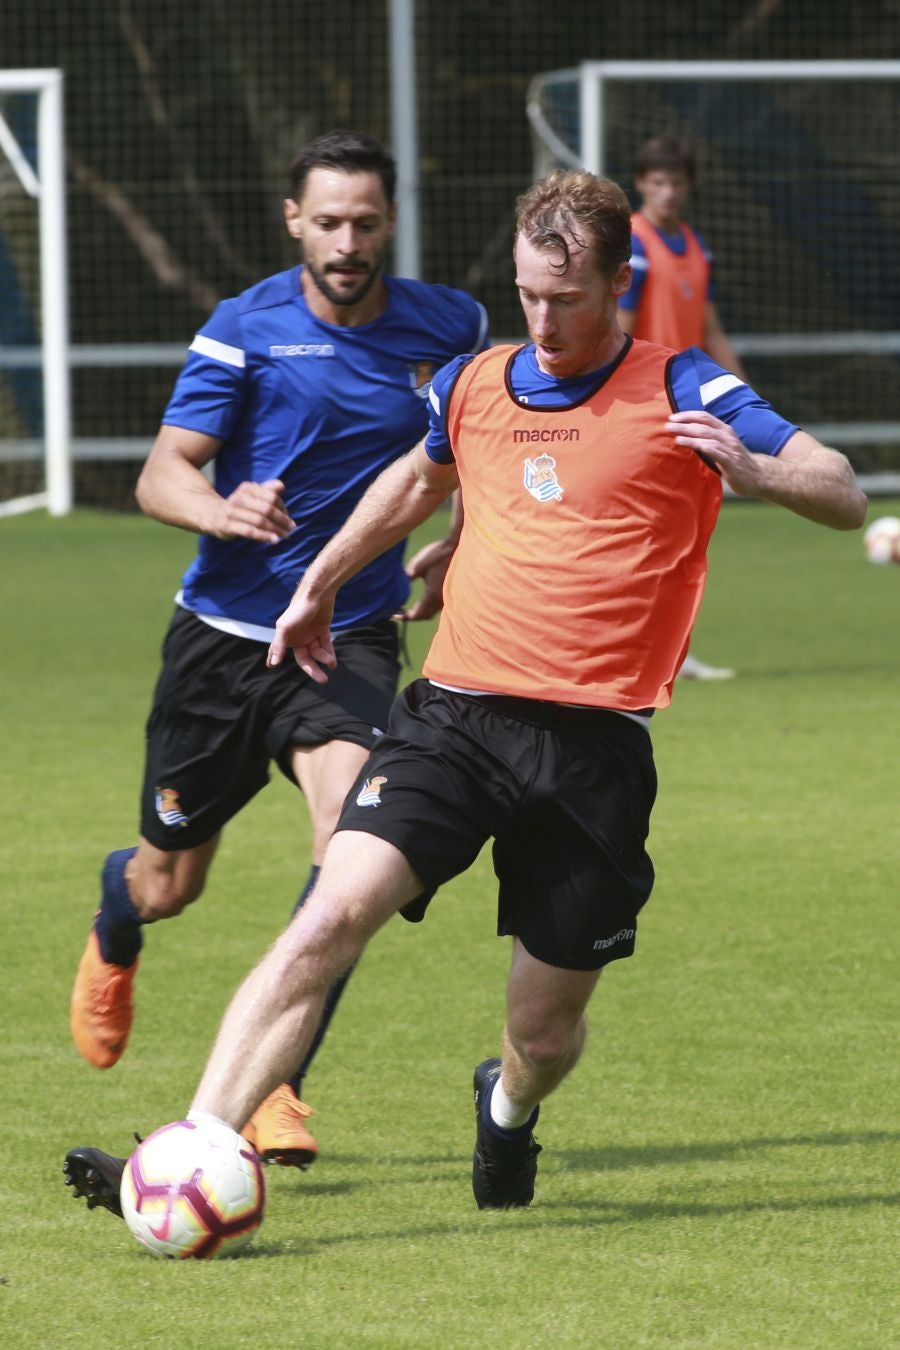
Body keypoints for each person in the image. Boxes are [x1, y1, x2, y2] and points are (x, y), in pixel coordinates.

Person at [64, 168, 865, 1218]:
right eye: (530, 294)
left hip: (592, 751)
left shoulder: (686, 388)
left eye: (567, 299)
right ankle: (193, 1145)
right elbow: (415, 478)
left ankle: (509, 1111)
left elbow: (844, 490)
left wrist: (759, 477)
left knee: (540, 1033)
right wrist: (322, 580)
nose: (543, 318)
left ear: (617, 283)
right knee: (327, 916)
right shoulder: (477, 381)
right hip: (454, 719)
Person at [67, 129, 488, 1169]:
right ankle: (119, 919)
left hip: (347, 637)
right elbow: (161, 474)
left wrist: (454, 546)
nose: (348, 242)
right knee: (173, 882)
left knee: (352, 849)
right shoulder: (243, 326)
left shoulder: (452, 326)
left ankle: (275, 1086)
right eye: (329, 221)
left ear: (390, 222)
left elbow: (481, 445)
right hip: (221, 644)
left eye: (366, 222)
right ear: (293, 219)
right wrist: (221, 510)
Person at [619, 134, 748, 682]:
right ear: (642, 184)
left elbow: (711, 328)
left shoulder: (695, 246)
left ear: (688, 187)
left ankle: (666, 647)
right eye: (657, 182)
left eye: (676, 182)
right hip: (645, 404)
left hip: (688, 404)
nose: (667, 192)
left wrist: (744, 397)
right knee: (645, 534)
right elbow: (619, 330)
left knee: (683, 532)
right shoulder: (634, 244)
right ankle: (637, 647)